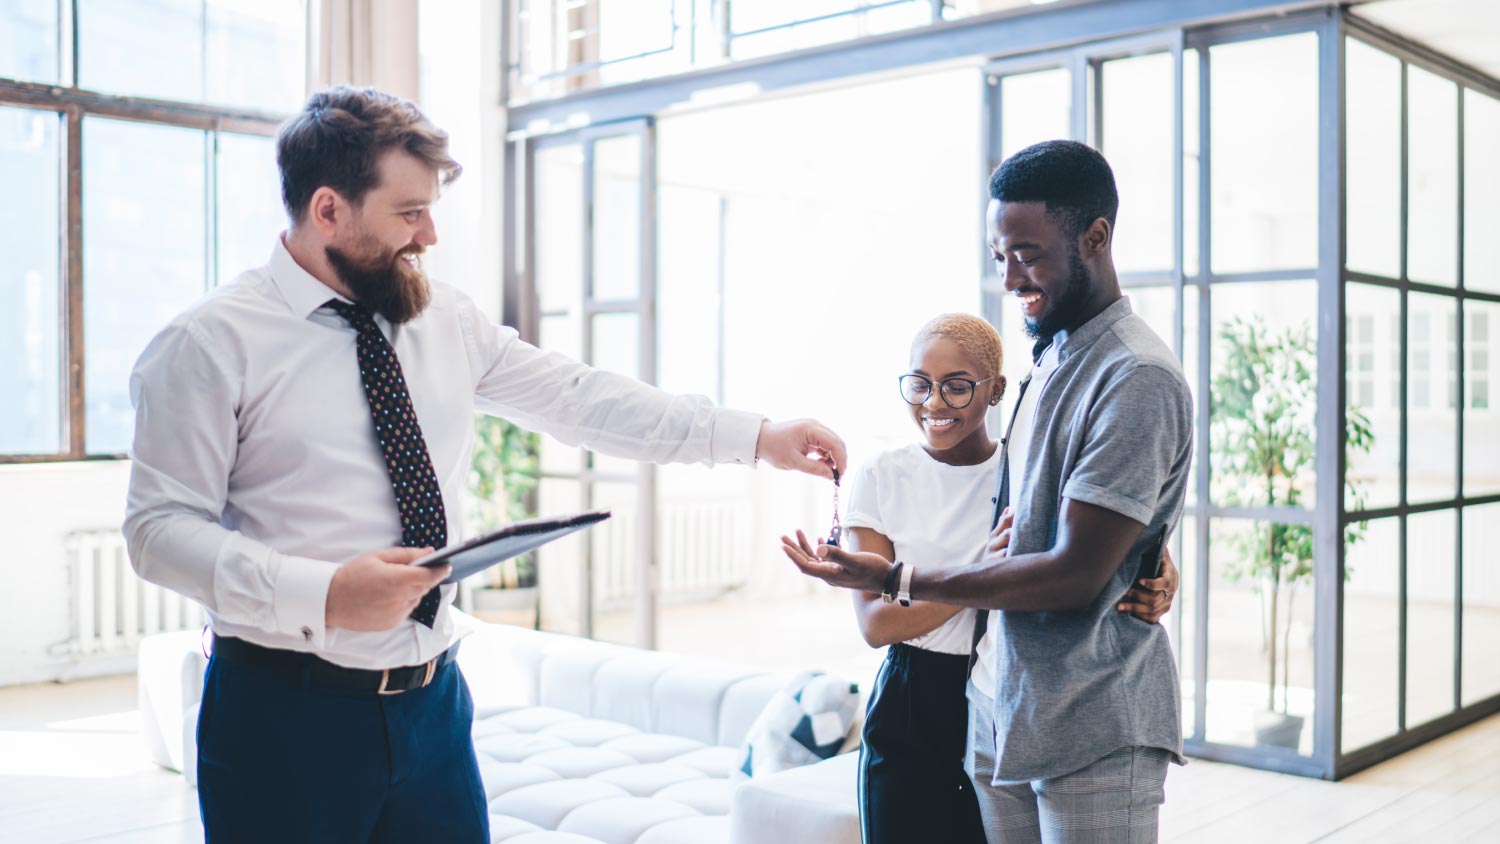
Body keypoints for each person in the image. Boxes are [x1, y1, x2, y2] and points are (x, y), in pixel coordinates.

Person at [123, 86, 846, 844]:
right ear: (328, 209)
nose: (430, 235)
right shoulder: (206, 345)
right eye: (409, 213)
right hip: (282, 717)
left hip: (433, 707)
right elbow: (158, 530)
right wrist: (327, 593)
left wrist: (756, 436)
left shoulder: (444, 319)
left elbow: (581, 398)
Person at [785, 139, 1192, 844]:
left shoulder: (1135, 376)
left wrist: (898, 577)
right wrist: (1143, 557)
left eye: (1026, 254)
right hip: (999, 708)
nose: (1008, 279)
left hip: (1090, 724)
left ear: (1095, 238)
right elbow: (1051, 529)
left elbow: (1073, 574)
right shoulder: (1049, 362)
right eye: (999, 257)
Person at [822, 314, 1176, 844]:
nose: (934, 403)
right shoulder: (881, 473)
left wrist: (1161, 572)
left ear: (997, 392)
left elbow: (1095, 546)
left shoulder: (1027, 471)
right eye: (920, 384)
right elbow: (875, 624)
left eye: (957, 387)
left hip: (998, 697)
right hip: (910, 703)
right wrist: (984, 575)